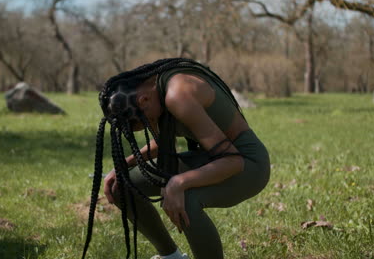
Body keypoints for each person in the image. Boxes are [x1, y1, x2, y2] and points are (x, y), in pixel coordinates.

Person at [81, 58, 270, 259]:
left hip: (248, 165)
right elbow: (161, 143)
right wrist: (122, 166)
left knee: (185, 198)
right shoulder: (155, 93)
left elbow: (233, 161)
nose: (149, 125)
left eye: (144, 122)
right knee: (121, 186)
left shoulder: (177, 95)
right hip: (211, 158)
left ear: (143, 101)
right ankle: (171, 257)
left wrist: (179, 182)